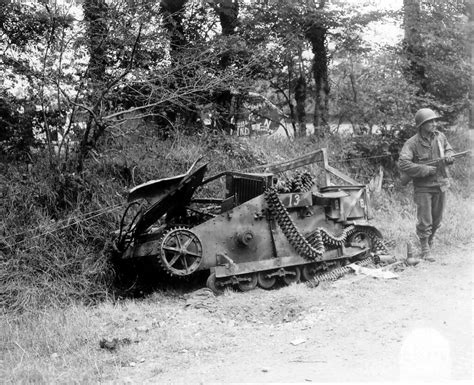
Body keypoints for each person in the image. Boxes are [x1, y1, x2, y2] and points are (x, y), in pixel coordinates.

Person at [399, 108, 454, 262]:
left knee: (437, 219)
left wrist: (449, 156)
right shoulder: (412, 143)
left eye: (435, 121)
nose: (434, 124)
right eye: (430, 122)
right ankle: (425, 248)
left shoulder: (440, 137)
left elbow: (449, 149)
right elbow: (403, 163)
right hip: (423, 187)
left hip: (441, 184)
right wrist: (423, 169)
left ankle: (430, 242)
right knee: (425, 220)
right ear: (421, 125)